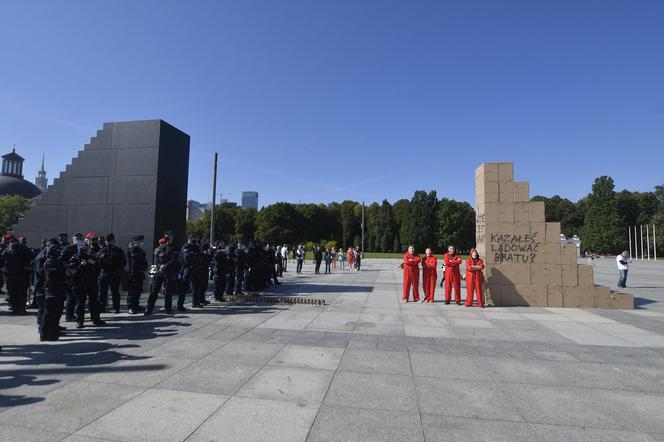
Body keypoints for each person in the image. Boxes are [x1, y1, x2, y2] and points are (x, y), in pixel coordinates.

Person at [67, 238, 105, 328]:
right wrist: (81, 265)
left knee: (94, 301)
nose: (85, 251)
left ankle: (96, 319)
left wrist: (95, 263)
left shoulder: (91, 258)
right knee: (80, 303)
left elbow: (98, 267)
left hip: (91, 282)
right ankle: (80, 321)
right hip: (80, 283)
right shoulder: (74, 259)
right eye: (83, 250)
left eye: (86, 249)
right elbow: (72, 272)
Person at [145, 233, 180, 315]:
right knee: (154, 290)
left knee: (168, 291)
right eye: (166, 236)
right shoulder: (160, 248)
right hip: (160, 272)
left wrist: (165, 266)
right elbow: (156, 260)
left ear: (172, 237)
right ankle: (149, 308)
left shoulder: (174, 248)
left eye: (169, 237)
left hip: (168, 272)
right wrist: (160, 266)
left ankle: (168, 309)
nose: (168, 238)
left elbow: (174, 260)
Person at [97, 233, 127, 314]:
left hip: (114, 274)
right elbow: (98, 261)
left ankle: (116, 308)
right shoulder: (103, 250)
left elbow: (123, 262)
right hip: (104, 273)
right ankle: (102, 307)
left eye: (110, 241)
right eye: (107, 241)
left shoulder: (119, 251)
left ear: (114, 241)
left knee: (115, 292)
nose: (109, 243)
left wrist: (118, 270)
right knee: (102, 292)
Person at [126, 235, 148, 314]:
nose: (141, 242)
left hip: (140, 274)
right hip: (134, 274)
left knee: (138, 291)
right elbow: (134, 263)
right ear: (135, 241)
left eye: (141, 241)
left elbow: (144, 262)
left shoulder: (140, 251)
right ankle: (131, 307)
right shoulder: (132, 250)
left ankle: (136, 305)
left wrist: (145, 269)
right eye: (140, 241)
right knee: (132, 291)